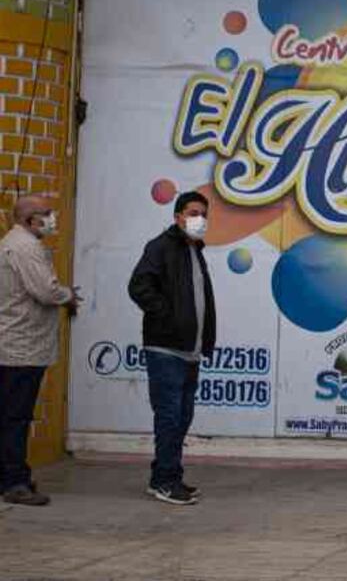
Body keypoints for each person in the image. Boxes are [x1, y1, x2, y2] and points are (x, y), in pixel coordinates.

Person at [128, 190, 217, 505]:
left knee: (182, 416)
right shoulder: (161, 247)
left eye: (204, 214)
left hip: (189, 350)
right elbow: (138, 286)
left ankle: (164, 475)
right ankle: (167, 481)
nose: (200, 219)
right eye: (193, 213)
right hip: (166, 349)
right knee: (169, 416)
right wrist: (168, 316)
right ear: (178, 216)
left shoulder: (194, 250)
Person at [0, 195, 78, 506]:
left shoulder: (15, 242)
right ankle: (14, 481)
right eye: (46, 213)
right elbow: (45, 290)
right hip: (21, 346)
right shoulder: (25, 247)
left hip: (18, 344)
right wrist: (68, 295)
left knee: (10, 415)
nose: (52, 217)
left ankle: (11, 474)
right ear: (31, 220)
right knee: (15, 417)